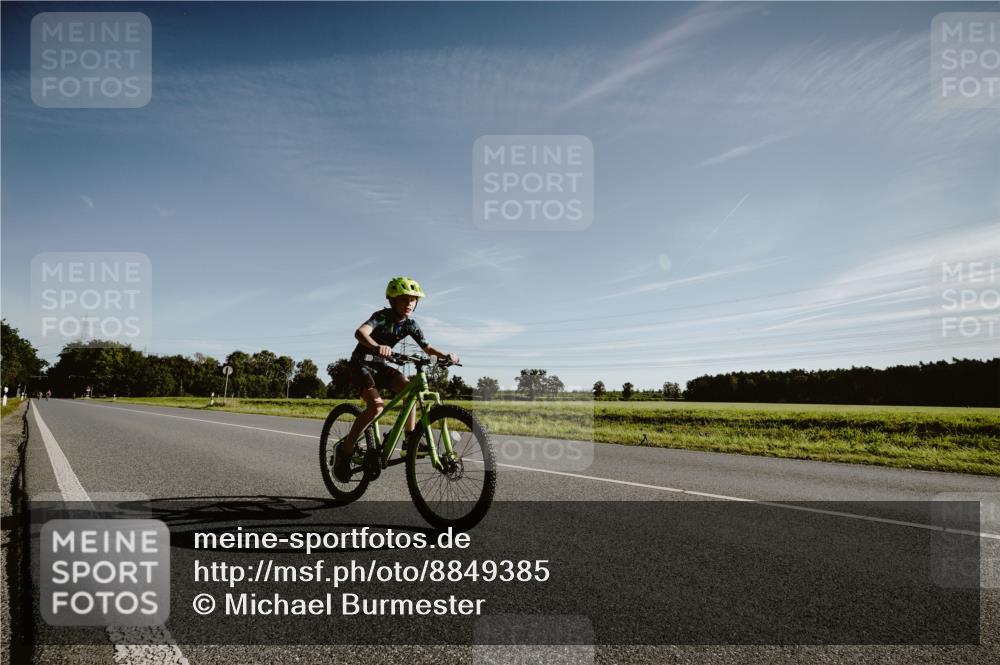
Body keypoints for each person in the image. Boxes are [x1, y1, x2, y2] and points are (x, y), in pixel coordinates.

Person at [333, 276, 458, 483]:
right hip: (361, 365)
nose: (409, 304)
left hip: (381, 367)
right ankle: (344, 453)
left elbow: (427, 348)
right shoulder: (381, 317)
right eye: (404, 299)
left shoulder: (411, 325)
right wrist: (375, 347)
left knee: (410, 388)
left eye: (413, 300)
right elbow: (360, 332)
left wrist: (446, 356)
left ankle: (409, 440)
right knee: (376, 407)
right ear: (392, 300)